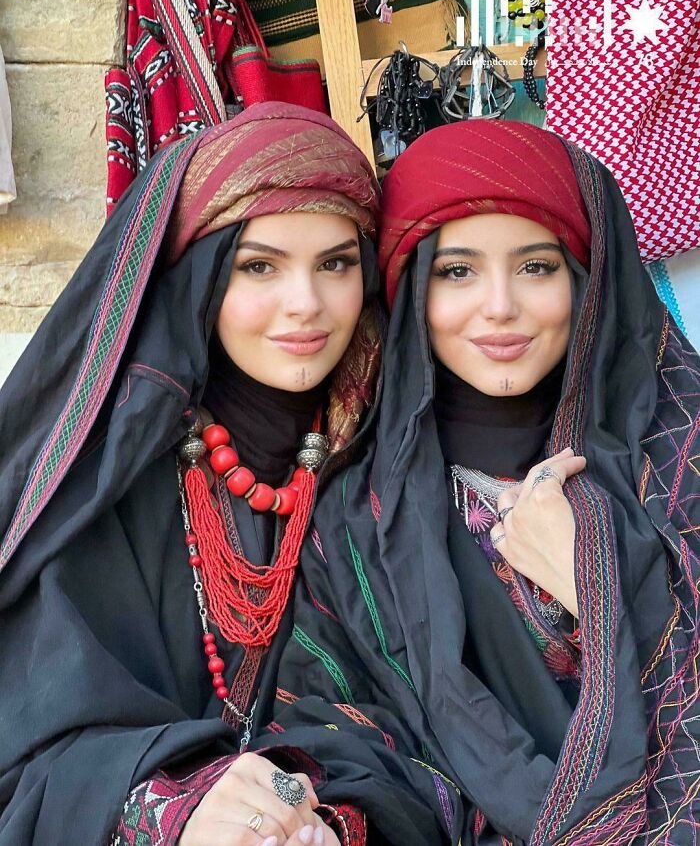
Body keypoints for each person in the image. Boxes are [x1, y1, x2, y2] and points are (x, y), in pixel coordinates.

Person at [259, 120, 700, 844]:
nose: (500, 306)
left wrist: (588, 572)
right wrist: (305, 810)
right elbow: (332, 729)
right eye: (457, 270)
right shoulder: (359, 519)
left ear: (587, 279)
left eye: (536, 266)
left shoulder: (679, 450)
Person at [0, 102, 384, 846]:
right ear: (202, 277)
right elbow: (34, 747)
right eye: (260, 265)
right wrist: (179, 804)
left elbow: (426, 719)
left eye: (336, 263)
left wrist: (308, 809)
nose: (306, 304)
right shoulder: (111, 481)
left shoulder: (377, 458)